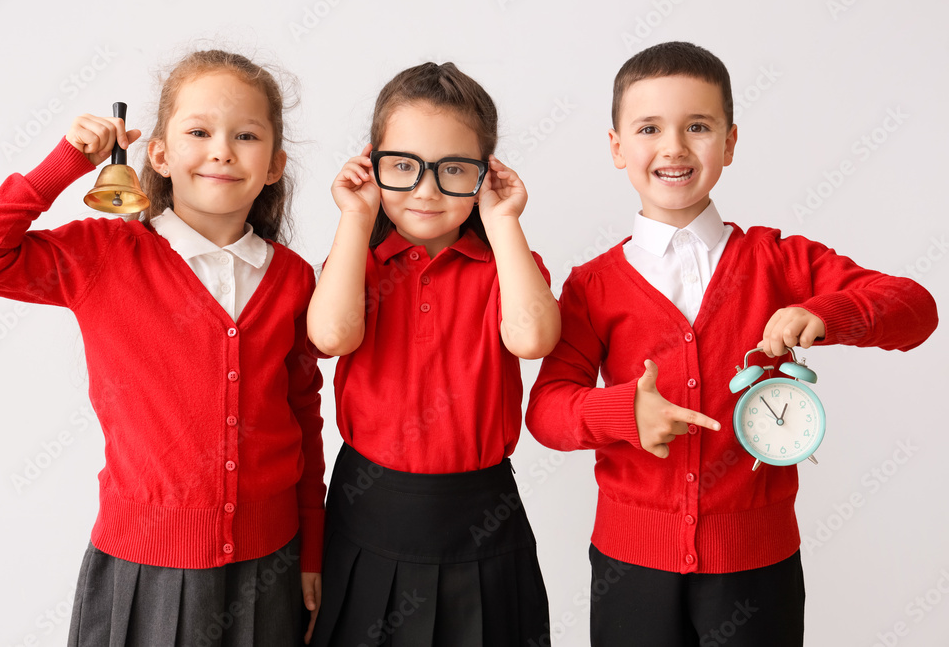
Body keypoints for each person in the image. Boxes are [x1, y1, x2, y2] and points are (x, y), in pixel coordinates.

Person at [526, 41, 938, 646]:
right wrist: (622, 412)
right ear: (617, 147)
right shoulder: (592, 286)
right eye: (648, 128)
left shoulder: (781, 261)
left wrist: (827, 311)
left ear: (730, 142)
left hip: (758, 565)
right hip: (629, 567)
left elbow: (916, 309)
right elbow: (546, 411)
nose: (673, 147)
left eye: (697, 126)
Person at [0, 50, 326, 646]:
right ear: (159, 154)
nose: (222, 149)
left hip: (270, 564)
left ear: (275, 165)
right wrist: (66, 164)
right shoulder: (105, 255)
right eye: (199, 132)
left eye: (246, 135)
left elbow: (303, 416)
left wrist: (312, 544)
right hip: (143, 565)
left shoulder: (296, 280)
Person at [307, 61, 561, 647]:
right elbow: (331, 336)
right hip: (367, 510)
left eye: (453, 170)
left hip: (480, 516)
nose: (426, 190)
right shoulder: (360, 263)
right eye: (402, 167)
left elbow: (532, 338)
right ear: (373, 167)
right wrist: (355, 216)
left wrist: (502, 223)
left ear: (485, 173)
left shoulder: (505, 263)